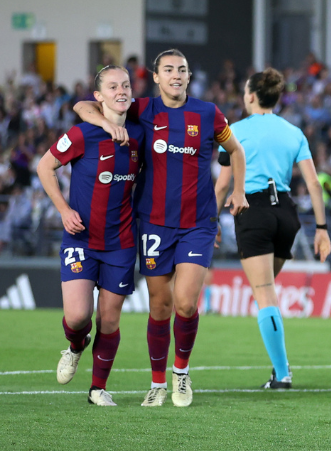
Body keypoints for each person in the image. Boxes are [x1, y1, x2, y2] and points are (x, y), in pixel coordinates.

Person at [74, 49, 250, 408]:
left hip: (198, 224)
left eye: (181, 70)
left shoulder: (208, 113)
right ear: (155, 77)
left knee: (185, 303)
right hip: (153, 224)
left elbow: (236, 149)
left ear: (188, 77)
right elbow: (83, 107)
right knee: (160, 306)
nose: (175, 75)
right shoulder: (143, 110)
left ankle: (180, 375)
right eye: (168, 70)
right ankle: (156, 384)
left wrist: (239, 190)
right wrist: (107, 125)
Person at [213, 67, 331, 390]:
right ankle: (278, 369)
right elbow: (313, 184)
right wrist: (321, 228)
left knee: (264, 292)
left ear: (250, 96)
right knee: (267, 291)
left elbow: (223, 186)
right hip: (287, 214)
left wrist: (211, 222)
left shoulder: (234, 130)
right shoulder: (293, 132)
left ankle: (282, 374)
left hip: (253, 210)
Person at [38, 65, 144, 407]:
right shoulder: (83, 134)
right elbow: (44, 166)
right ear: (98, 96)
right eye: (113, 86)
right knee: (78, 318)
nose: (121, 91)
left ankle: (97, 388)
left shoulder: (140, 134)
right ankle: (74, 345)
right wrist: (64, 210)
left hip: (121, 243)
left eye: (125, 85)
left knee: (109, 320)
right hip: (82, 239)